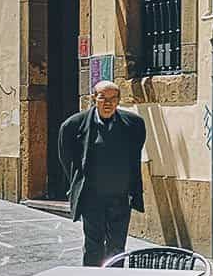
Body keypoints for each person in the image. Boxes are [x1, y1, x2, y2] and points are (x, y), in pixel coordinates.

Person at [58, 81, 147, 266]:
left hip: (120, 198)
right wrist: (77, 184)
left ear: (119, 100)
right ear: (93, 99)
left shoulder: (134, 124)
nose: (108, 103)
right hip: (92, 198)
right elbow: (67, 160)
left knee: (117, 247)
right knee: (93, 246)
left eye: (113, 99)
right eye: (103, 98)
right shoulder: (73, 125)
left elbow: (134, 155)